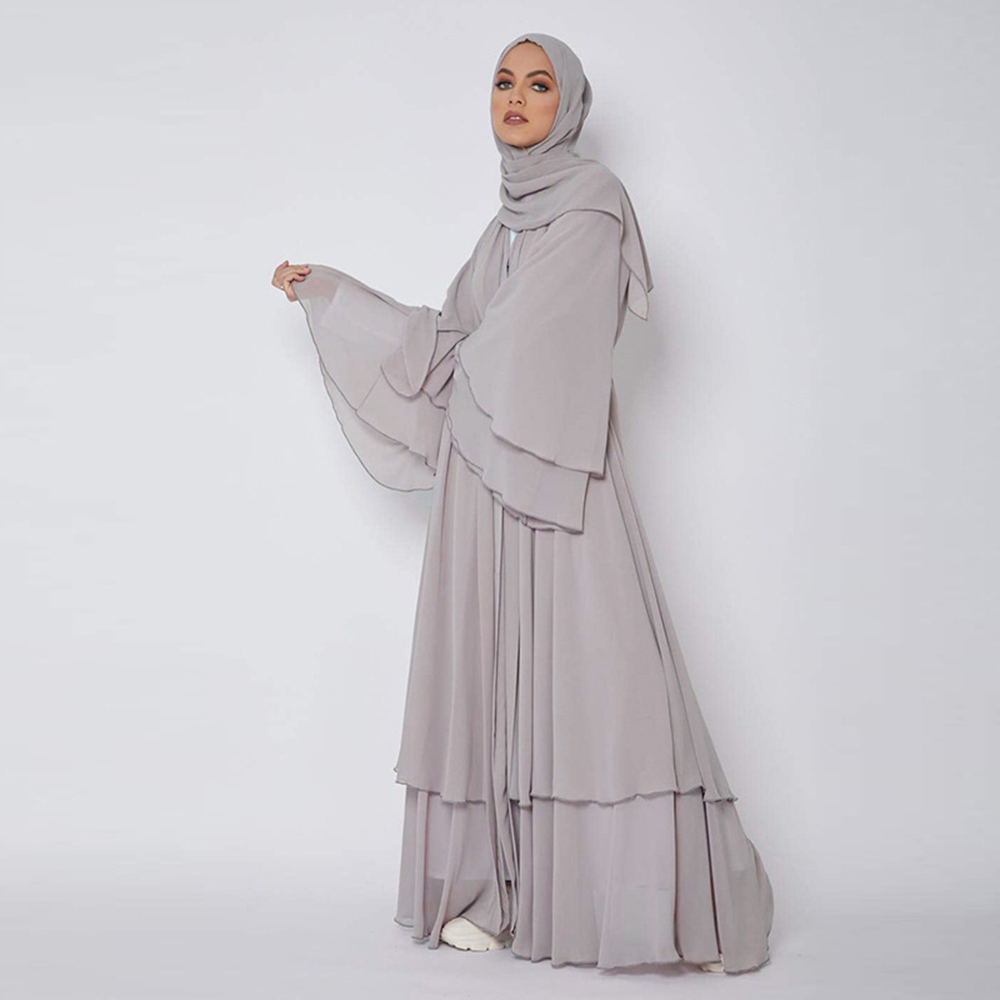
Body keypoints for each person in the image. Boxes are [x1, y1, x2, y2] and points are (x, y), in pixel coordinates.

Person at [271, 31, 774, 975]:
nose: (517, 97)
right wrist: (334, 295)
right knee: (493, 672)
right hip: (486, 478)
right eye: (504, 82)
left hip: (558, 474)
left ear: (568, 104)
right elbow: (449, 340)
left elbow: (531, 343)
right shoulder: (500, 226)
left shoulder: (593, 204)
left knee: (604, 673)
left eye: (539, 84)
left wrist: (469, 366)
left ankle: (672, 908)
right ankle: (495, 895)